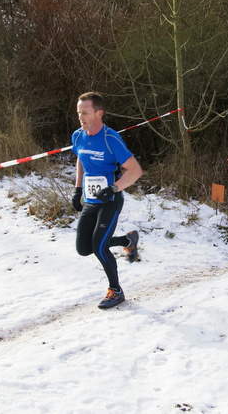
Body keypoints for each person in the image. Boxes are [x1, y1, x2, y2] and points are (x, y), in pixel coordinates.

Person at [70, 92, 143, 309]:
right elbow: (81, 160)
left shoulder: (111, 139)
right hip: (91, 200)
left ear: (98, 113)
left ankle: (116, 291)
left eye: (85, 113)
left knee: (100, 247)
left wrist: (113, 188)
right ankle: (127, 241)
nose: (81, 117)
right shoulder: (78, 136)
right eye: (78, 113)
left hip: (110, 200)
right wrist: (78, 189)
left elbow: (135, 170)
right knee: (84, 248)